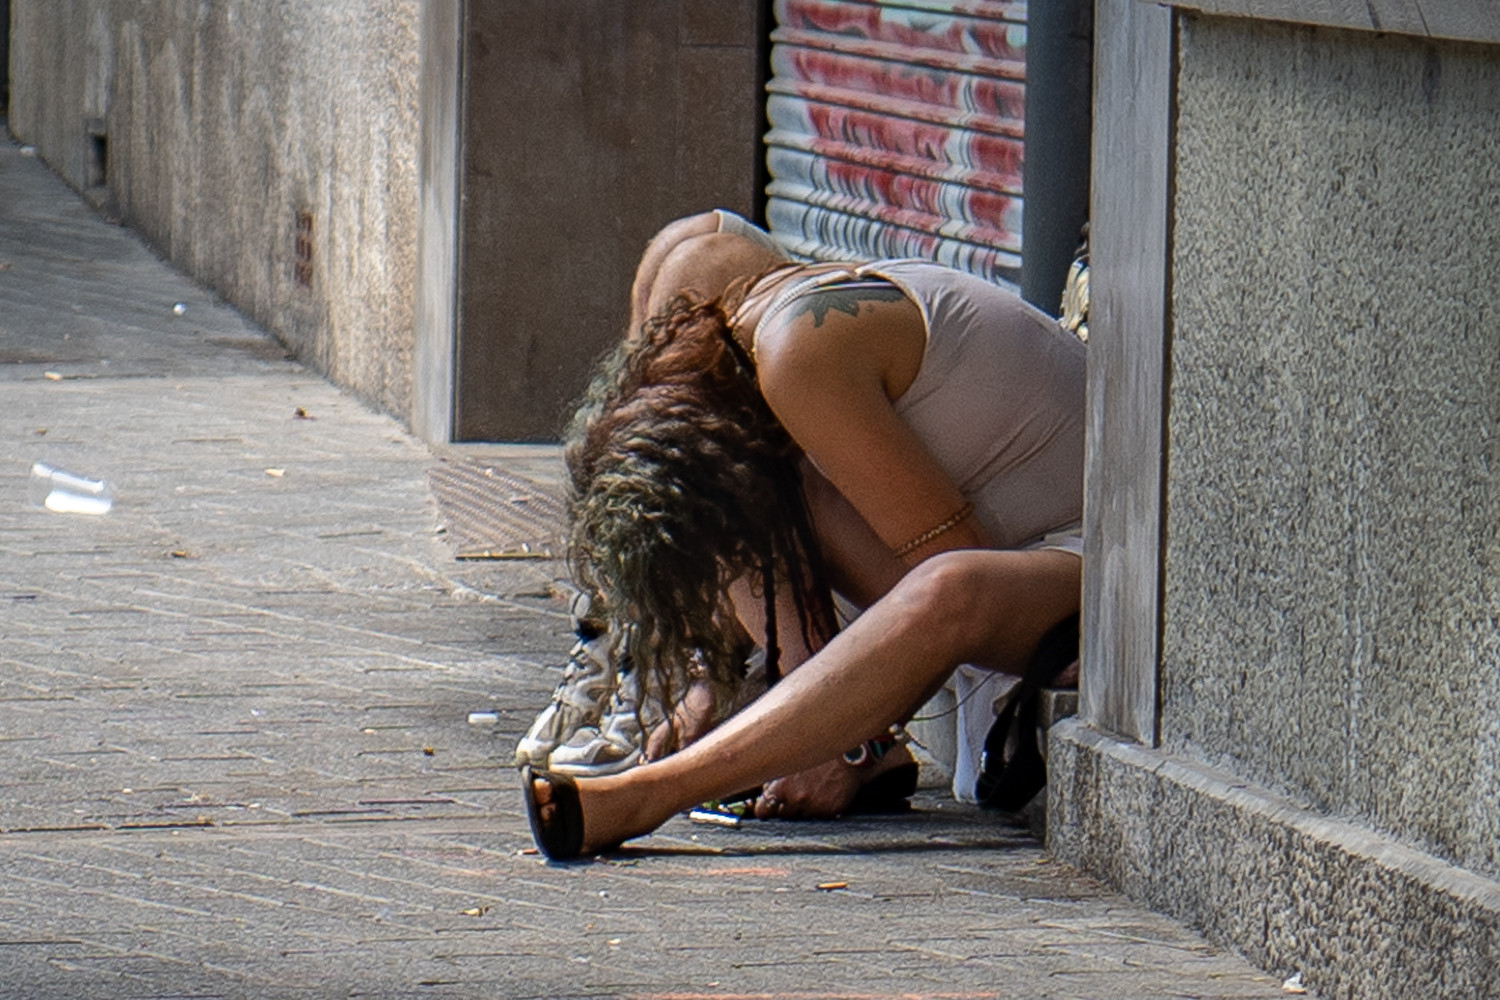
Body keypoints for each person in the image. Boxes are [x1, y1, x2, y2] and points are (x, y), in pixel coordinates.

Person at [520, 211, 1086, 860]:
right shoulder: (752, 337)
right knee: (767, 494)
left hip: (1107, 566)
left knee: (945, 585)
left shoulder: (800, 355)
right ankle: (803, 724)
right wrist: (716, 680)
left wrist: (846, 738)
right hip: (1016, 556)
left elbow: (956, 583)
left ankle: (653, 794)